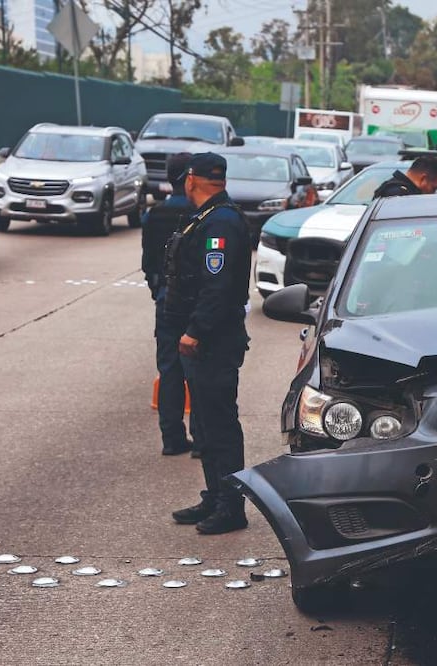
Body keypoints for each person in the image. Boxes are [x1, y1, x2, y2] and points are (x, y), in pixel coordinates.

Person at [165, 152, 252, 535]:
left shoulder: (222, 223)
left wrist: (195, 331)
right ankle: (215, 495)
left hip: (214, 342)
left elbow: (217, 289)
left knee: (220, 425)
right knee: (204, 422)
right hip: (204, 342)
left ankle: (232, 506)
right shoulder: (209, 218)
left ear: (191, 180)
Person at [141, 152, 198, 457]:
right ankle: (201, 438)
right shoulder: (202, 215)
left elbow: (148, 262)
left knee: (169, 369)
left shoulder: (154, 215)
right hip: (196, 302)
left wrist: (158, 290)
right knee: (199, 370)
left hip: (166, 301)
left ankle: (172, 437)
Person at [372, 155, 437, 197]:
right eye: (433, 188)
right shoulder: (400, 196)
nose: (433, 194)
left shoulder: (390, 188)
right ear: (423, 179)